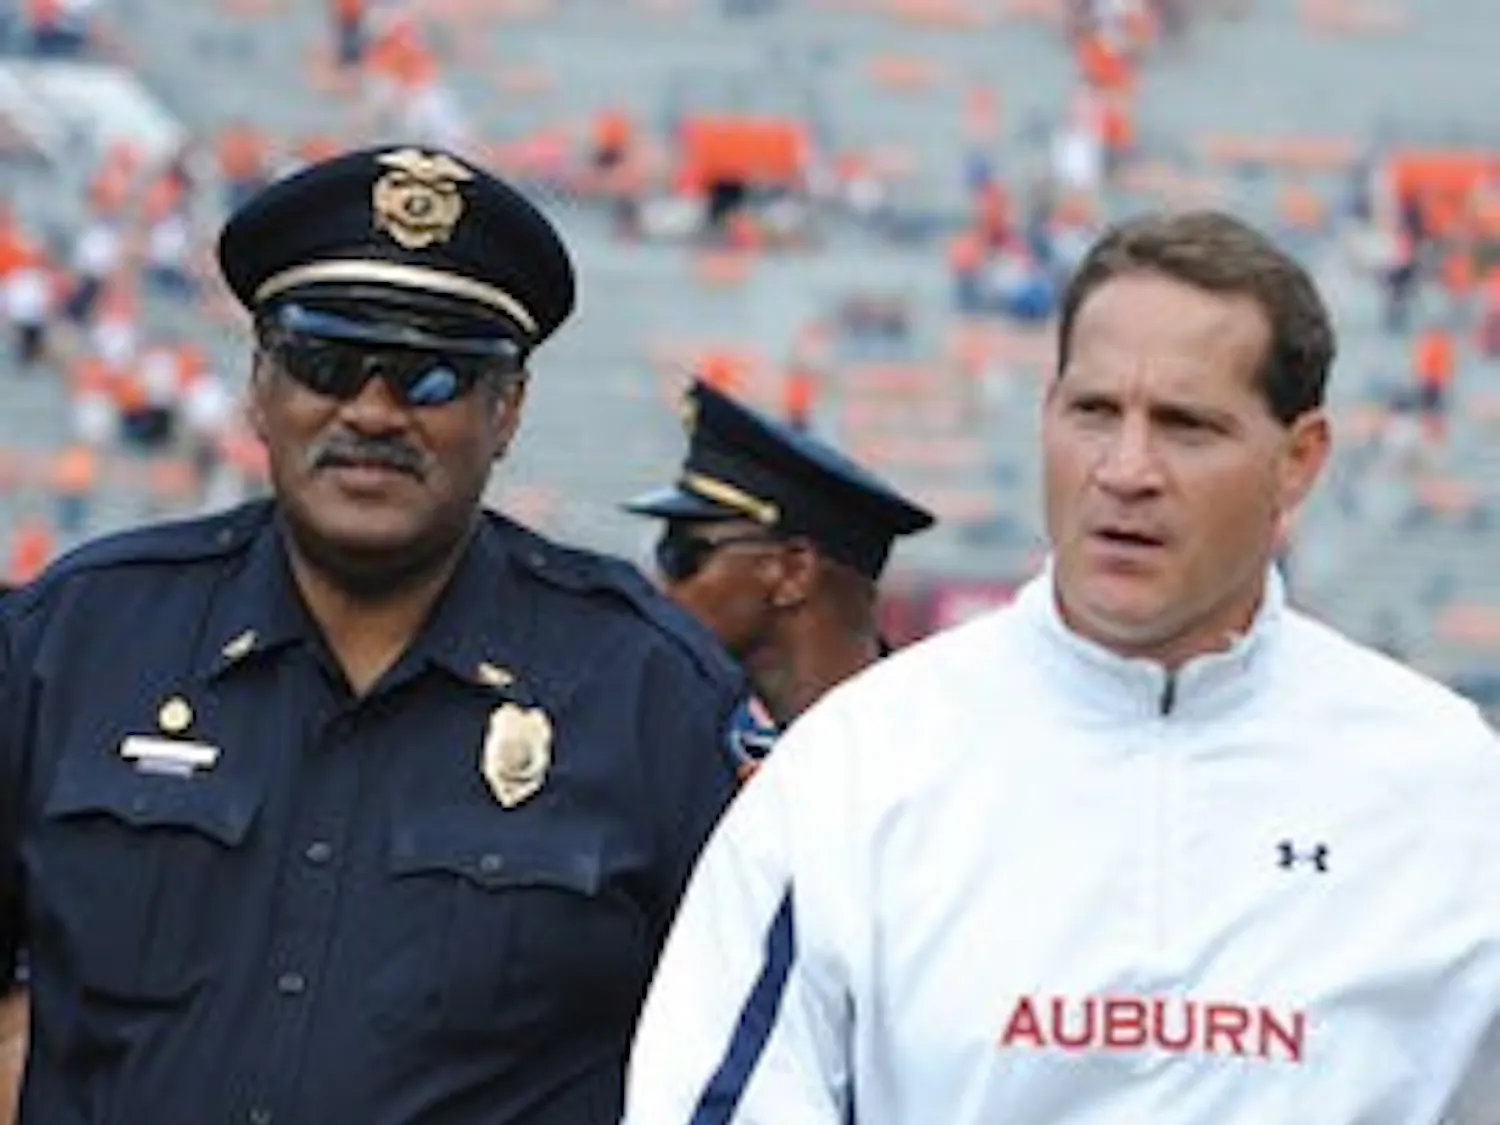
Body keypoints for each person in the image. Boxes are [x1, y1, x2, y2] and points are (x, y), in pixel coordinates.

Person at [622, 209, 1500, 1124]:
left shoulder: (1448, 787)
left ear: (1299, 461)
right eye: (1094, 412)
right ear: (1046, 417)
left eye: (1186, 425)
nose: (1126, 469)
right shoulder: (857, 765)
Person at [0, 144, 746, 1125]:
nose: (373, 412)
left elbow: (743, 1064)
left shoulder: (652, 692)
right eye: (326, 363)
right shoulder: (74, 643)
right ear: (260, 384)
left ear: (508, 410)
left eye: (433, 378)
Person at [622, 378, 934, 774]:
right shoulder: (689, 745)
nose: (664, 585)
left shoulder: (932, 754)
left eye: (682, 555)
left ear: (793, 571)